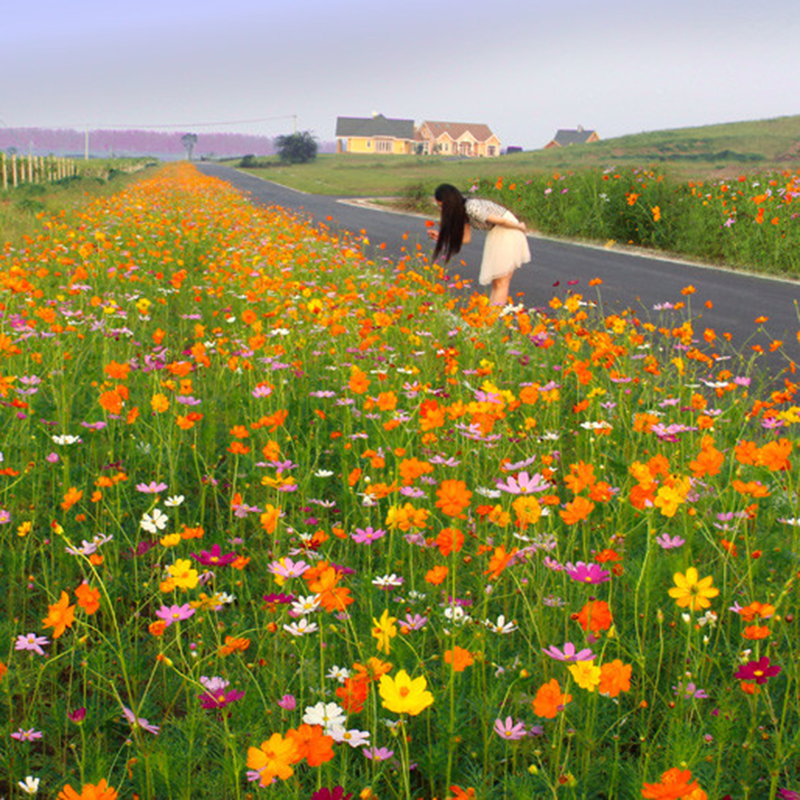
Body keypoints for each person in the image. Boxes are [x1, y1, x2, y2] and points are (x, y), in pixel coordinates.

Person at [429, 183, 531, 307]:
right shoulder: (463, 211)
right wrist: (442, 238)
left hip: (508, 228)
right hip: (498, 231)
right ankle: (490, 317)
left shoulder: (472, 207)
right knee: (497, 282)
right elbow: (466, 239)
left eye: (441, 206)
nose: (441, 210)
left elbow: (501, 220)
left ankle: (492, 319)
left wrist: (520, 226)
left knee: (502, 281)